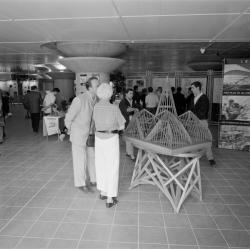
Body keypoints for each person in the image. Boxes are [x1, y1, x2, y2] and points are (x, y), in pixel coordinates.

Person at [93, 83, 126, 208]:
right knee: (112, 167)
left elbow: (95, 122)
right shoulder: (114, 107)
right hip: (111, 138)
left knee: (101, 165)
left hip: (98, 138)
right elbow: (122, 125)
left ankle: (103, 191)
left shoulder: (95, 106)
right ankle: (110, 198)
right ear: (110, 93)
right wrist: (117, 126)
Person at [65, 77, 99, 192]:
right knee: (80, 159)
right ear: (89, 88)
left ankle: (94, 179)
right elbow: (68, 118)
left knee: (92, 157)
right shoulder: (79, 99)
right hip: (79, 135)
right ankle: (80, 183)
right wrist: (71, 131)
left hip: (90, 135)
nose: (98, 87)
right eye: (96, 86)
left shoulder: (97, 99)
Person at [190, 81, 216, 167]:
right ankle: (194, 154)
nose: (191, 89)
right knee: (194, 138)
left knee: (206, 139)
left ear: (198, 88)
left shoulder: (204, 98)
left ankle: (210, 158)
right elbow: (191, 109)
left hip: (202, 121)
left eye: (193, 88)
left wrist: (193, 115)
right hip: (194, 121)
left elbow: (203, 111)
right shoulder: (193, 97)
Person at [119, 89, 138, 161]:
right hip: (126, 122)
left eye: (132, 93)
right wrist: (134, 109)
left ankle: (128, 152)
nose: (131, 95)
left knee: (129, 137)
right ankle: (131, 154)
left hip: (132, 121)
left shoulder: (133, 101)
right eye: (130, 93)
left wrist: (133, 108)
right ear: (126, 94)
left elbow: (137, 108)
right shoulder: (123, 102)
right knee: (129, 138)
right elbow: (127, 110)